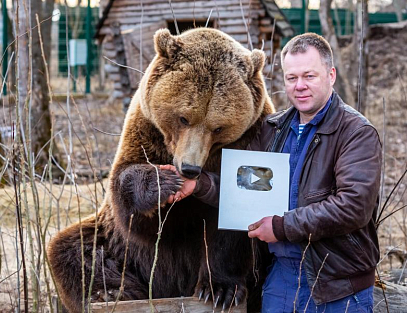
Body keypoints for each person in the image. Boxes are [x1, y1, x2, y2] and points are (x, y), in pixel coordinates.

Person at [161, 33, 381, 312]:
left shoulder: (356, 133)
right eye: (291, 78)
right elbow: (244, 187)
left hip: (337, 285)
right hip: (280, 280)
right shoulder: (272, 130)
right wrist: (198, 185)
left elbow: (353, 208)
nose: (299, 86)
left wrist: (279, 227)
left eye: (309, 76)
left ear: (331, 75)